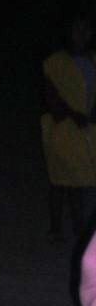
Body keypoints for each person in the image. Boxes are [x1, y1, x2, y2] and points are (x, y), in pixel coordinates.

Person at [41, 14, 96, 241]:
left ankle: (75, 228)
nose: (82, 35)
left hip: (88, 129)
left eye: (86, 30)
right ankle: (60, 228)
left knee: (80, 180)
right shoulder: (55, 62)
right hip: (62, 128)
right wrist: (74, 114)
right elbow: (50, 96)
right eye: (77, 30)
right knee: (63, 181)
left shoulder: (93, 60)